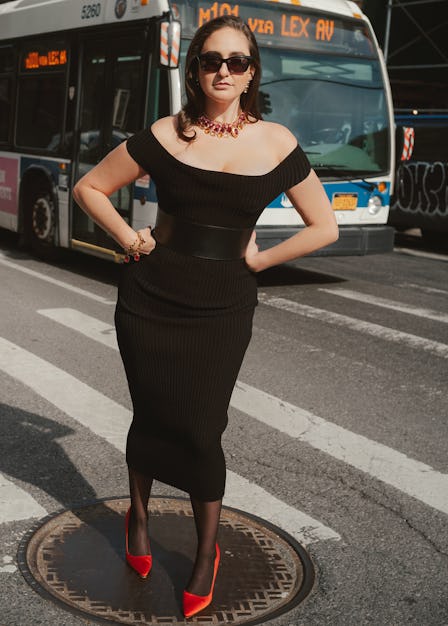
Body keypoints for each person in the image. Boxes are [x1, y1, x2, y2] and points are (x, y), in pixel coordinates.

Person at [73, 15, 338, 618]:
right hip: (150, 293)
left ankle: (206, 552)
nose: (224, 70)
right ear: (194, 69)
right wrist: (129, 240)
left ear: (251, 73)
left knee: (201, 426)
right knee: (151, 411)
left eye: (237, 62)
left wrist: (261, 258)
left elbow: (324, 226)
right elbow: (90, 188)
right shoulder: (169, 132)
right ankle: (137, 522)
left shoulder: (276, 141)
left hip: (222, 302)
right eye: (212, 60)